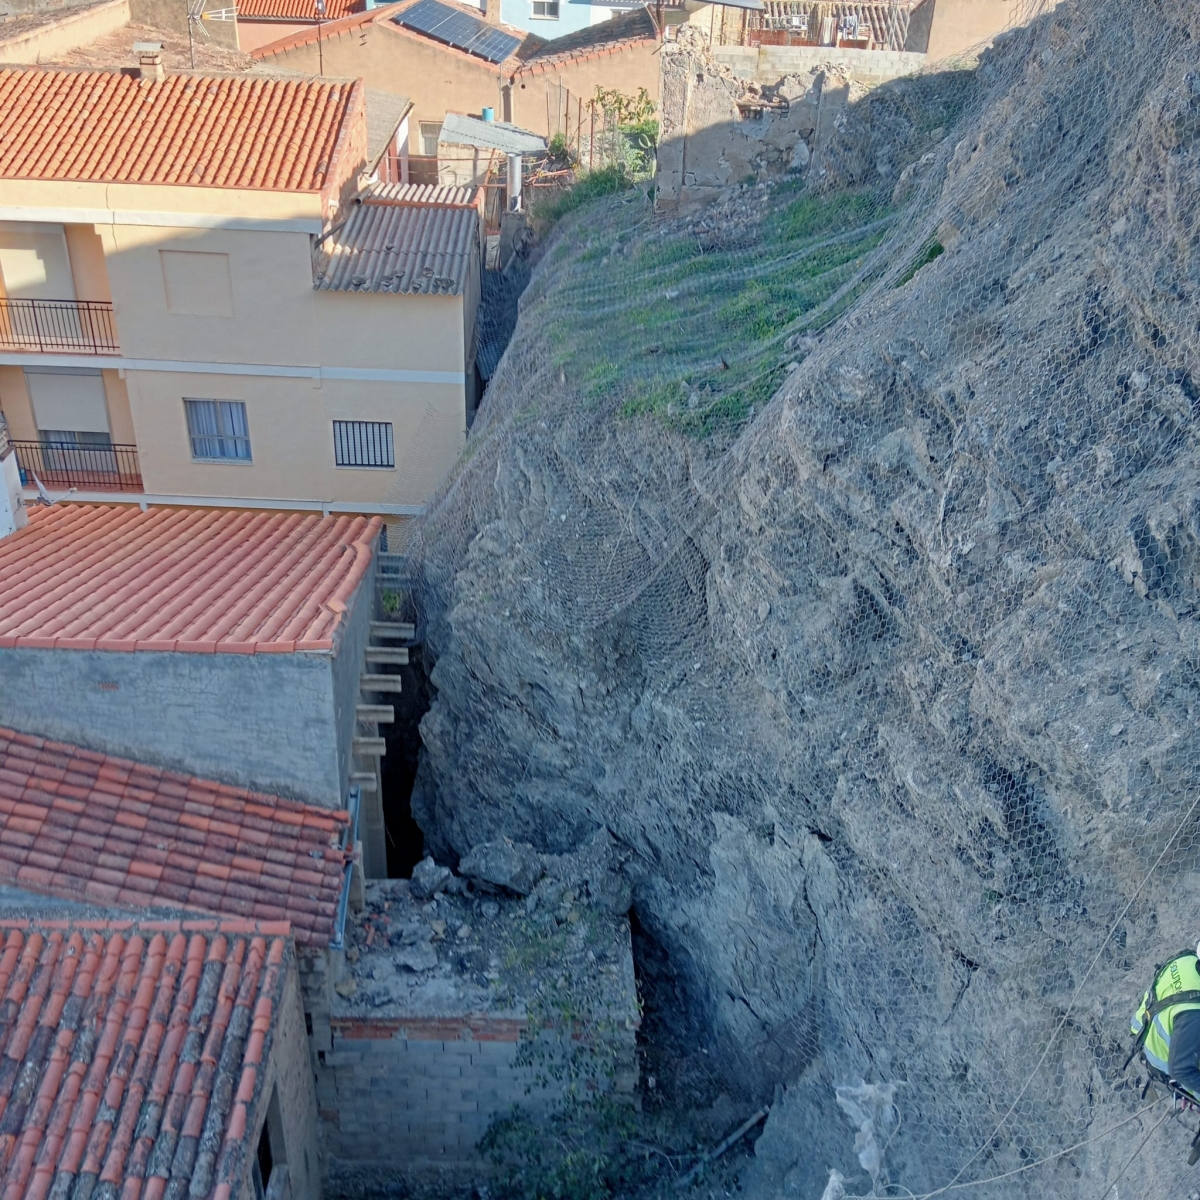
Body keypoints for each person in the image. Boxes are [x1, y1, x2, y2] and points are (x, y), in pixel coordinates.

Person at [1129, 945, 1200, 1101]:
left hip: (1147, 1030)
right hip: (1167, 1063)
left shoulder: (1188, 960)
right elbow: (1181, 1070)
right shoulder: (1194, 1016)